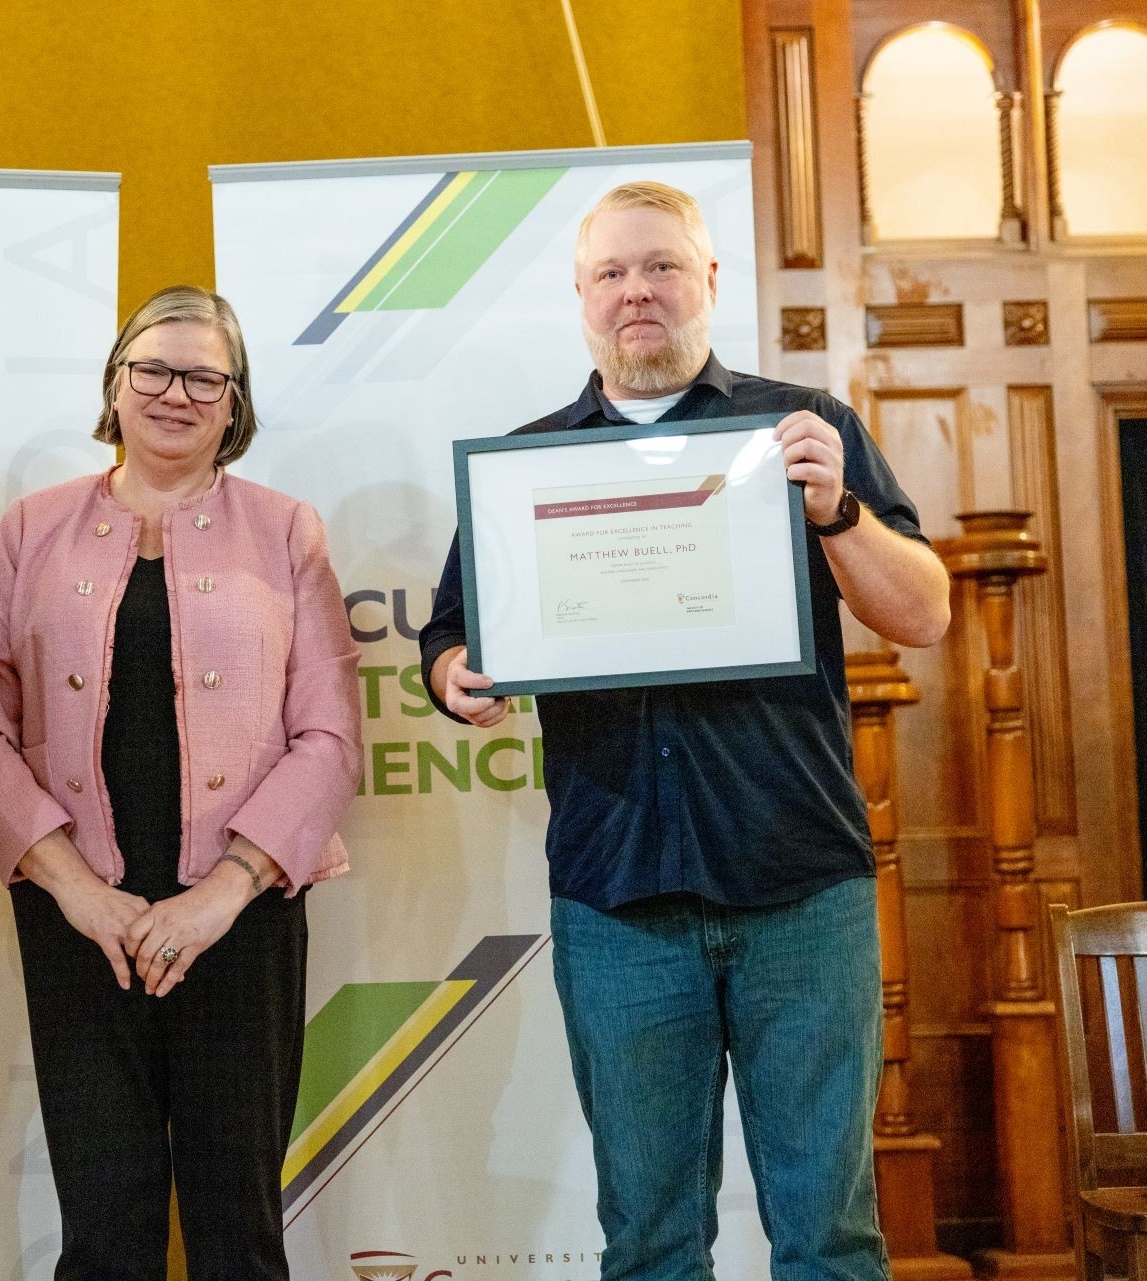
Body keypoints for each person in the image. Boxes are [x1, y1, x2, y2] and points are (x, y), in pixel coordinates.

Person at [419, 182, 951, 1281]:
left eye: (661, 266)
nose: (636, 292)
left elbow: (925, 613)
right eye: (612, 273)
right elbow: (453, 642)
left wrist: (839, 513)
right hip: (618, 902)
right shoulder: (528, 464)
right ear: (580, 298)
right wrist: (457, 676)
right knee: (651, 1244)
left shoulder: (802, 431)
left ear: (709, 282)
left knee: (833, 1239)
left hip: (801, 890)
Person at [0, 285, 360, 1281]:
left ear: (234, 400)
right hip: (74, 919)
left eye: (203, 376)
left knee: (238, 1230)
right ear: (116, 382)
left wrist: (216, 899)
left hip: (241, 919)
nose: (175, 393)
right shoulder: (28, 529)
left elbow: (331, 738)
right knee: (103, 1229)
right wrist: (82, 894)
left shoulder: (289, 530)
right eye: (154, 369)